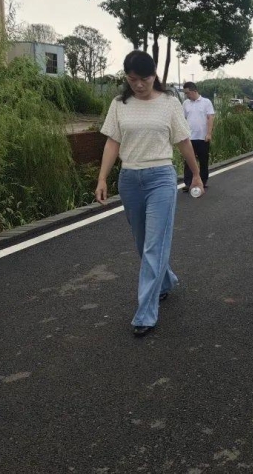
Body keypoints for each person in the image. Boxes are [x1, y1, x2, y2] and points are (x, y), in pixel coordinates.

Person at [96, 51, 205, 337]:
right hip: (130, 180)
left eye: (144, 79)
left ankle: (145, 313)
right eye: (132, 79)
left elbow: (183, 141)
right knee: (143, 242)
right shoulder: (119, 104)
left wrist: (195, 174)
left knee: (154, 246)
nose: (138, 85)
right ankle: (165, 281)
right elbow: (112, 142)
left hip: (160, 179)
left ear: (154, 75)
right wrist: (102, 178)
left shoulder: (169, 103)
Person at [182, 82, 215, 192]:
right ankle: (188, 183)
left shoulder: (206, 102)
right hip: (189, 137)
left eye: (187, 93)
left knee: (203, 160)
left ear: (194, 91)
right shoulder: (186, 103)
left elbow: (210, 118)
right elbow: (182, 119)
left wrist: (209, 133)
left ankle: (203, 181)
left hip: (202, 137)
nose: (186, 95)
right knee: (188, 161)